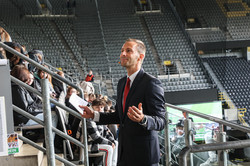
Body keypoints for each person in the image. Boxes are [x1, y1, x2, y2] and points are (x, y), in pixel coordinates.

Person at [80, 38, 166, 166]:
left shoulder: (151, 83)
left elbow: (161, 121)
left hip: (144, 156)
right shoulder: (121, 83)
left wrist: (143, 119)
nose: (123, 54)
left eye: (128, 51)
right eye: (122, 51)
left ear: (140, 57)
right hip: (124, 154)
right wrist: (94, 115)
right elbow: (119, 116)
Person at [77, 99, 118, 166]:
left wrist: (112, 141)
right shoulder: (89, 118)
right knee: (109, 148)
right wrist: (109, 143)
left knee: (116, 143)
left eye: (101, 107)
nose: (99, 109)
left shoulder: (100, 117)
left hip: (97, 143)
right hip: (88, 144)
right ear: (92, 107)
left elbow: (106, 132)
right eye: (97, 107)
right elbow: (95, 137)